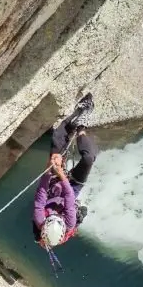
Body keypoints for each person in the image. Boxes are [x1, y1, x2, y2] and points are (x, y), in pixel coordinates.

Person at [32, 93, 97, 248]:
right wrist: (61, 173)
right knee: (89, 159)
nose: (53, 215)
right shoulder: (69, 222)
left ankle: (72, 119)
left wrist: (49, 168)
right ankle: (81, 128)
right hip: (72, 189)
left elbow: (41, 194)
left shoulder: (39, 219)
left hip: (52, 190)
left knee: (57, 142)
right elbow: (68, 195)